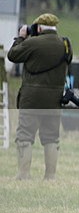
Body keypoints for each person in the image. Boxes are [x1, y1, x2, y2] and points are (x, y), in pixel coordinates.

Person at [8, 13, 72, 180]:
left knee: (25, 136)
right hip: (54, 99)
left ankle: (23, 175)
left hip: (32, 98)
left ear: (39, 27)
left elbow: (13, 55)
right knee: (51, 137)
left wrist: (21, 37)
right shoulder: (65, 44)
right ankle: (50, 176)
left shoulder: (32, 43)